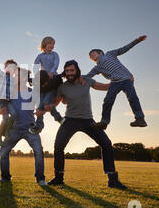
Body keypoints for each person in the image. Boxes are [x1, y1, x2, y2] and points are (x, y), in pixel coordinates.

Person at [45, 60, 127, 189]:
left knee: (106, 143)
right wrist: (45, 107)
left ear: (77, 70)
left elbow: (104, 87)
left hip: (87, 120)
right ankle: (58, 177)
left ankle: (112, 179)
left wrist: (121, 81)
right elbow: (56, 103)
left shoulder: (86, 81)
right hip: (70, 120)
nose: (69, 73)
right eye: (67, 71)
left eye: (72, 70)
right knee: (58, 146)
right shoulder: (63, 87)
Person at [0, 68, 47, 186]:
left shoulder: (33, 92)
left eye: (17, 75)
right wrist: (0, 110)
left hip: (30, 128)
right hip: (13, 129)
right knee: (3, 152)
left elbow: (40, 110)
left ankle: (40, 179)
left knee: (39, 152)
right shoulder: (10, 93)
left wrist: (39, 124)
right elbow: (1, 107)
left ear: (24, 77)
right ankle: (5, 177)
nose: (14, 77)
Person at [86, 35, 148, 130]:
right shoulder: (97, 68)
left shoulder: (109, 54)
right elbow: (87, 76)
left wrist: (137, 41)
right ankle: (104, 122)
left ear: (100, 53)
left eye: (93, 53)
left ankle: (140, 119)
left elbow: (123, 49)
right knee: (107, 101)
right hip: (114, 83)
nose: (92, 56)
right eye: (90, 56)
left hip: (126, 79)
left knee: (132, 97)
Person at [30, 37, 63, 134]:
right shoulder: (40, 56)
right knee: (40, 104)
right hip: (43, 81)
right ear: (44, 44)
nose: (52, 46)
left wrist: (52, 72)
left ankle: (58, 118)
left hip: (52, 80)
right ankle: (39, 126)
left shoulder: (55, 54)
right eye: (50, 43)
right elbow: (35, 66)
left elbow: (56, 63)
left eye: (53, 44)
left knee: (46, 102)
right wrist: (37, 75)